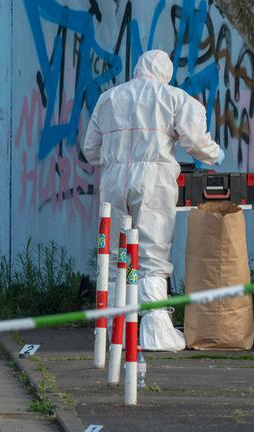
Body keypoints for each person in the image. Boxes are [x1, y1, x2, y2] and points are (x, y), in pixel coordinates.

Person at [81, 49, 224, 352]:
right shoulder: (173, 98)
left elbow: (90, 150)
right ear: (166, 72)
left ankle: (110, 329)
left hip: (113, 180)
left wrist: (115, 159)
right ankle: (155, 331)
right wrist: (215, 154)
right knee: (152, 255)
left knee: (116, 253)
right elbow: (195, 142)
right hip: (153, 180)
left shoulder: (109, 98)